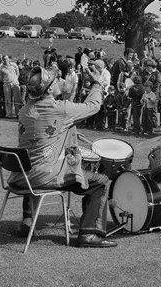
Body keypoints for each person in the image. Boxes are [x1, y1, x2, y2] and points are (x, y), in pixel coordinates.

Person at [9, 66, 117, 248]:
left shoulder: (25, 110)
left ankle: (27, 223)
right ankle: (90, 234)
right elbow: (93, 106)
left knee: (34, 162)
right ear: (50, 89)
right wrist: (97, 84)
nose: (60, 80)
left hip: (22, 176)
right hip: (45, 175)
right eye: (56, 79)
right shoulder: (62, 109)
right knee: (101, 181)